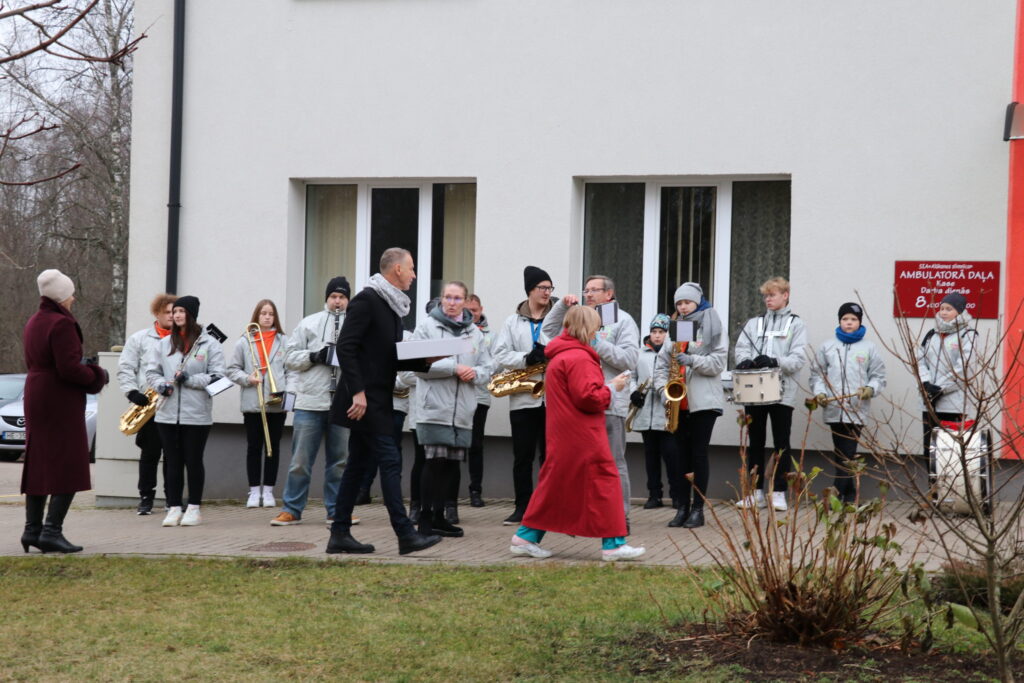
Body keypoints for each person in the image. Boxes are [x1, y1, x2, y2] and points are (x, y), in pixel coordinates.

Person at [326, 247, 442, 555]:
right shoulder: (367, 300)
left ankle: (339, 533)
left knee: (356, 466)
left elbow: (389, 356)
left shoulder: (391, 307)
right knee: (390, 461)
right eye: (412, 268)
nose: (414, 275)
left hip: (378, 398)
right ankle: (405, 534)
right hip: (365, 400)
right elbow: (345, 347)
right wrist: (357, 391)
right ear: (398, 270)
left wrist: (426, 359)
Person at [509, 306, 645, 562]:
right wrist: (613, 388)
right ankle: (614, 544)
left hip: (566, 434)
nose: (597, 332)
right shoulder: (580, 357)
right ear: (587, 328)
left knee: (556, 487)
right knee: (606, 483)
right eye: (595, 327)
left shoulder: (562, 354)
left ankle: (525, 538)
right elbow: (589, 398)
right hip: (584, 435)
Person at [21, 269, 108, 553]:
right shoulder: (61, 323)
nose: (73, 298)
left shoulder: (34, 321)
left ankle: (32, 530)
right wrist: (97, 375)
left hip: (36, 393)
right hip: (58, 398)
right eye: (70, 294)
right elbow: (69, 368)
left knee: (39, 461)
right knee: (68, 462)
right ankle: (51, 531)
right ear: (61, 296)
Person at [543, 274, 639, 521]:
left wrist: (594, 342)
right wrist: (560, 306)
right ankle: (589, 515)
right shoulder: (581, 318)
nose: (588, 295)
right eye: (586, 290)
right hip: (581, 403)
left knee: (613, 462)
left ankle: (621, 517)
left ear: (609, 294)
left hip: (609, 403)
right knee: (579, 463)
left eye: (594, 290)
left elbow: (629, 360)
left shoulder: (623, 320)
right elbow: (548, 332)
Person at [410, 281, 492, 538]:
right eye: (448, 297)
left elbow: (488, 367)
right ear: (441, 299)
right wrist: (454, 368)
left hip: (463, 410)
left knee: (451, 466)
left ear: (465, 302)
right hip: (435, 408)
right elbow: (415, 364)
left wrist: (475, 373)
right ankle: (425, 519)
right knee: (433, 463)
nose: (452, 302)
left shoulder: (474, 333)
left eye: (457, 298)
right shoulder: (427, 327)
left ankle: (440, 517)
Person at [271, 277, 352, 527]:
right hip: (310, 402)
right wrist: (315, 356)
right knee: (300, 461)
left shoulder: (355, 323)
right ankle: (292, 509)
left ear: (348, 300)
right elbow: (289, 358)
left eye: (342, 297)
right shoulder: (309, 323)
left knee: (339, 462)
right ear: (327, 298)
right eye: (333, 297)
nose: (337, 301)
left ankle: (337, 510)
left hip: (342, 403)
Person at [145, 295, 225, 527]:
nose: (176, 315)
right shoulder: (163, 344)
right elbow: (152, 372)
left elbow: (218, 376)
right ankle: (173, 507)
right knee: (172, 461)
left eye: (181, 311)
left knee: (193, 461)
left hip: (197, 415)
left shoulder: (209, 344)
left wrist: (190, 379)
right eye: (174, 312)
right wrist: (161, 385)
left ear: (191, 315)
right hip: (167, 414)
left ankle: (194, 508)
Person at [734, 276, 809, 512]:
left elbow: (798, 358)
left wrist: (775, 360)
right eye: (765, 295)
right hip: (754, 391)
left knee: (781, 443)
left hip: (783, 392)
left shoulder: (796, 324)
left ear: (785, 295)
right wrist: (745, 361)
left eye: (772, 295)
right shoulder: (754, 323)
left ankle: (778, 493)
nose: (768, 299)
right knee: (755, 442)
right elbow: (741, 348)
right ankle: (755, 493)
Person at [491, 266, 558, 525]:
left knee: (550, 457)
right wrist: (525, 359)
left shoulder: (558, 317)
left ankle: (548, 507)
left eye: (550, 288)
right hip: (522, 398)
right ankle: (522, 507)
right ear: (530, 290)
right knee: (522, 457)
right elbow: (500, 354)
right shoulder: (512, 321)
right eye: (542, 287)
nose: (547, 292)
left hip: (553, 398)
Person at [657, 283, 727, 528]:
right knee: (680, 456)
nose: (683, 307)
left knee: (698, 454)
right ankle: (682, 507)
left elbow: (718, 363)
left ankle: (698, 509)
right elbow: (662, 364)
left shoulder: (712, 325)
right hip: (679, 402)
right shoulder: (678, 327)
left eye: (687, 302)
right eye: (679, 303)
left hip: (703, 402)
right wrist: (663, 391)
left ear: (697, 302)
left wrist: (692, 360)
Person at [809, 302, 887, 503]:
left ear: (859, 322)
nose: (849, 323)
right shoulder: (827, 347)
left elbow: (878, 376)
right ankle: (849, 495)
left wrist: (870, 389)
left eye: (853, 319)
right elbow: (817, 375)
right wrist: (820, 393)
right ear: (839, 321)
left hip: (856, 408)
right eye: (845, 319)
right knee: (842, 453)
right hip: (834, 408)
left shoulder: (869, 348)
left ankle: (838, 493)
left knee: (848, 452)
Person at [117, 292, 176, 515]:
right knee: (149, 455)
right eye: (167, 312)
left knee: (173, 456)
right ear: (156, 313)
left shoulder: (184, 339)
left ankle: (172, 498)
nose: (171, 316)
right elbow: (126, 367)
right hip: (149, 405)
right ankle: (145, 498)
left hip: (174, 405)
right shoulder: (139, 339)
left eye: (174, 312)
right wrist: (131, 392)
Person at [226, 299, 289, 508]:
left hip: (276, 402)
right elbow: (232, 370)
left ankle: (269, 491)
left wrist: (287, 392)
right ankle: (254, 491)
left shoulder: (284, 341)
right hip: (253, 403)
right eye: (263, 313)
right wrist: (247, 378)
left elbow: (291, 371)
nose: (267, 317)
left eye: (271, 314)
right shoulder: (244, 341)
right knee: (254, 447)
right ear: (257, 316)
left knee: (273, 448)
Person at [629, 314, 682, 510]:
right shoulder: (640, 353)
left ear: (668, 334)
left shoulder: (673, 352)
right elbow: (631, 375)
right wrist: (634, 392)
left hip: (665, 411)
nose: (657, 336)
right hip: (645, 412)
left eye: (661, 332)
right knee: (650, 456)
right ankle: (654, 495)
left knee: (671, 455)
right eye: (654, 332)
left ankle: (676, 495)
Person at [917, 292, 976, 460]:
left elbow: (965, 368)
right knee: (929, 451)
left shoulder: (968, 334)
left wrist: (940, 389)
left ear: (959, 311)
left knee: (950, 453)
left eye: (949, 309)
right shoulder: (931, 334)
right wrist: (926, 383)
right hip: (929, 401)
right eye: (941, 308)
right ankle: (932, 479)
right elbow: (919, 360)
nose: (943, 312)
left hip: (953, 404)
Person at [459, 293, 492, 510]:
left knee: (476, 445)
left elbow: (494, 363)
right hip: (459, 395)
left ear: (481, 310)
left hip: (480, 395)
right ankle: (450, 496)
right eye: (468, 311)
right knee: (455, 444)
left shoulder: (491, 335)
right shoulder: (457, 331)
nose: (472, 314)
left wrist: (475, 372)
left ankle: (475, 490)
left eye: (475, 310)